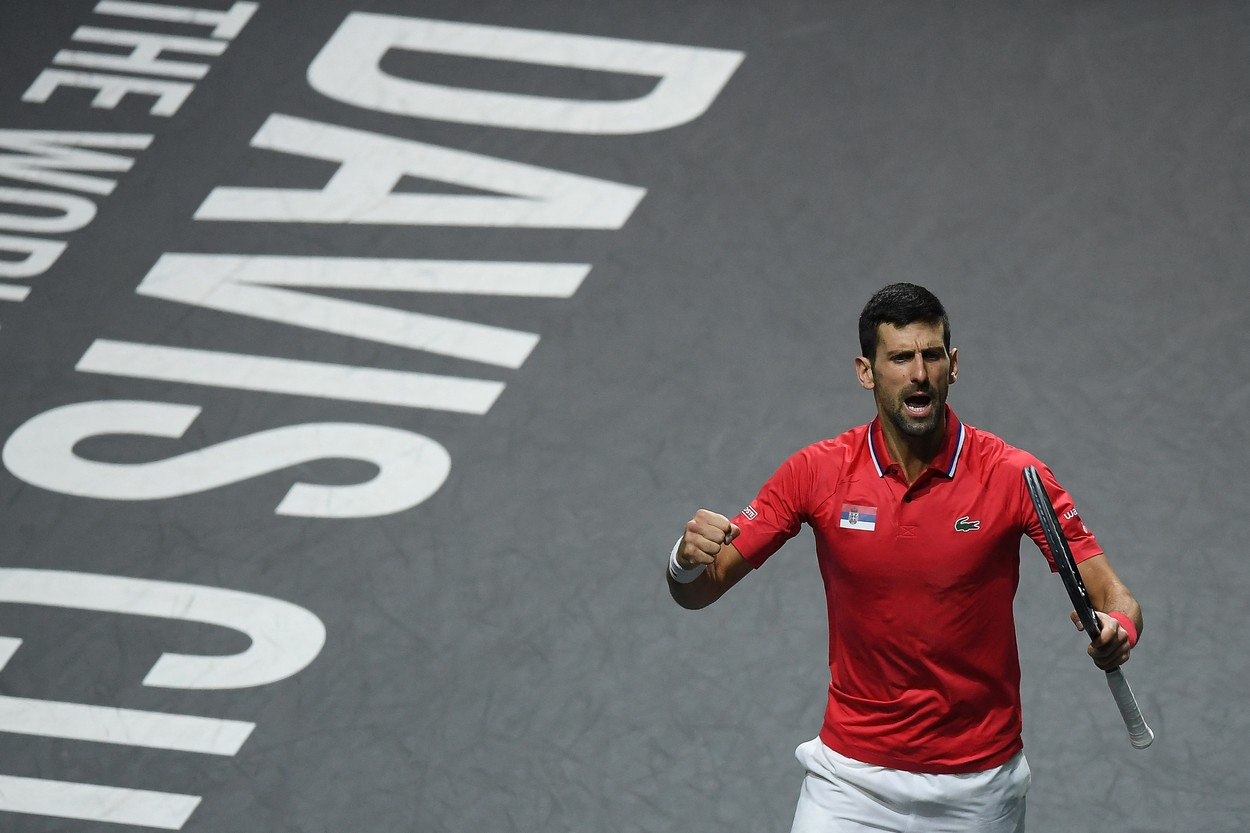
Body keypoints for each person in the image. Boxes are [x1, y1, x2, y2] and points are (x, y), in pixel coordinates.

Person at [666, 283, 1142, 833]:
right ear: (866, 372)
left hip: (979, 788)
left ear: (952, 365)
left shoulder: (1014, 476)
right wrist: (684, 559)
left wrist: (1119, 628)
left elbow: (1114, 596)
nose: (919, 374)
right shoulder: (816, 472)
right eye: (899, 358)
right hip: (849, 782)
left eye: (931, 355)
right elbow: (697, 591)